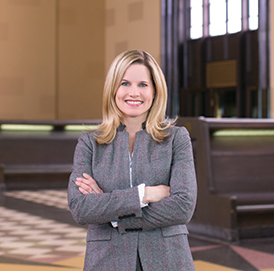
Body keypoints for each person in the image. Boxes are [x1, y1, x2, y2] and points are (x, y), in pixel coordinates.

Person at [68, 50, 197, 271]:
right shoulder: (89, 143)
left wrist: (114, 216)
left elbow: (183, 206)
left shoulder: (177, 138)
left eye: (143, 85)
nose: (134, 93)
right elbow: (81, 208)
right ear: (113, 89)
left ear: (155, 91)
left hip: (168, 259)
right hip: (107, 261)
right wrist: (144, 194)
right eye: (125, 83)